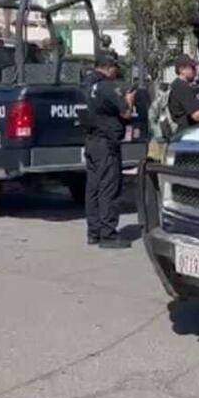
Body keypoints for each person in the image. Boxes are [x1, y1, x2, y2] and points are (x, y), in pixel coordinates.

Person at [82, 51, 135, 249]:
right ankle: (108, 234)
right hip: (106, 143)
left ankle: (94, 231)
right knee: (109, 187)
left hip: (91, 140)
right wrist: (129, 99)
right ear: (109, 67)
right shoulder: (107, 87)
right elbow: (126, 113)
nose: (116, 71)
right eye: (115, 67)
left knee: (93, 188)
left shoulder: (86, 84)